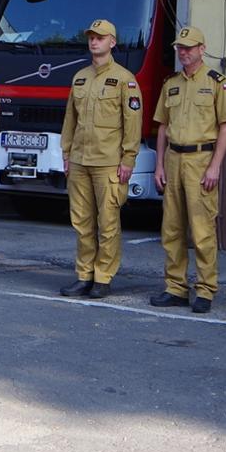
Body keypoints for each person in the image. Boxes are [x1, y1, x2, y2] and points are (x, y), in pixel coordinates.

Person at [150, 26, 226, 314]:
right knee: (171, 229)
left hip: (201, 161)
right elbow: (163, 126)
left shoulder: (217, 83)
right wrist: (159, 164)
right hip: (173, 159)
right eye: (180, 48)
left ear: (202, 48)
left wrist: (215, 166)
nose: (183, 52)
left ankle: (205, 289)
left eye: (189, 47)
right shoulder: (171, 83)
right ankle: (175, 287)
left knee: (202, 230)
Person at [58, 19, 141, 298]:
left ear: (112, 42)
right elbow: (70, 120)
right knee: (81, 222)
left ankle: (103, 277)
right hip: (80, 161)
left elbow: (132, 123)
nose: (94, 41)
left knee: (107, 223)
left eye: (100, 37)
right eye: (91, 37)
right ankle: (84, 276)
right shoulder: (80, 77)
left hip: (108, 163)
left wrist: (128, 159)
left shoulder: (125, 79)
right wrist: (66, 153)